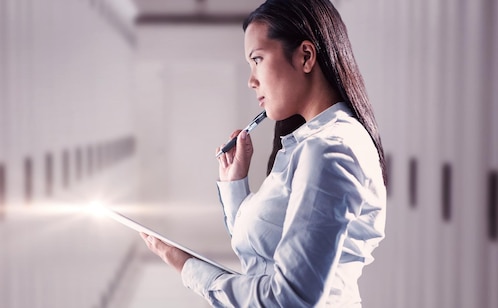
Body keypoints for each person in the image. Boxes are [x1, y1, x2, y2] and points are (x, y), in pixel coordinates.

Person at [140, 0, 387, 306]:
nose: (251, 80)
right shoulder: (311, 144)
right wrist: (235, 184)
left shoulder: (329, 149)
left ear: (306, 56)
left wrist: (186, 266)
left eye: (257, 59)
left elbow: (288, 300)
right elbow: (262, 253)